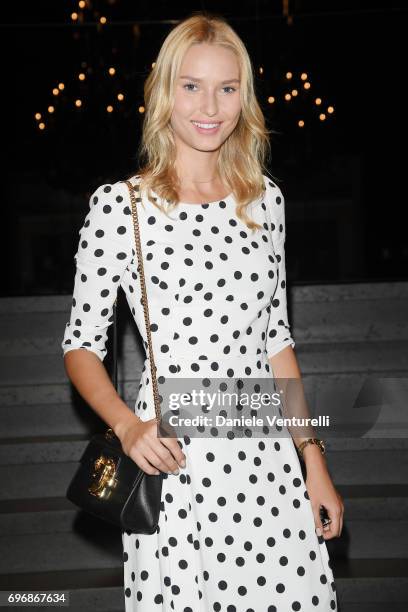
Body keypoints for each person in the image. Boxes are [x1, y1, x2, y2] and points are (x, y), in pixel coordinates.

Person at [62, 11, 344, 612]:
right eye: (191, 85)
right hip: (174, 450)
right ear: (165, 92)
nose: (209, 106)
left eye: (227, 87)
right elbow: (81, 345)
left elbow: (277, 339)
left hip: (263, 445)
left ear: (245, 96)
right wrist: (127, 426)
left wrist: (312, 460)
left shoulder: (266, 200)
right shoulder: (120, 208)